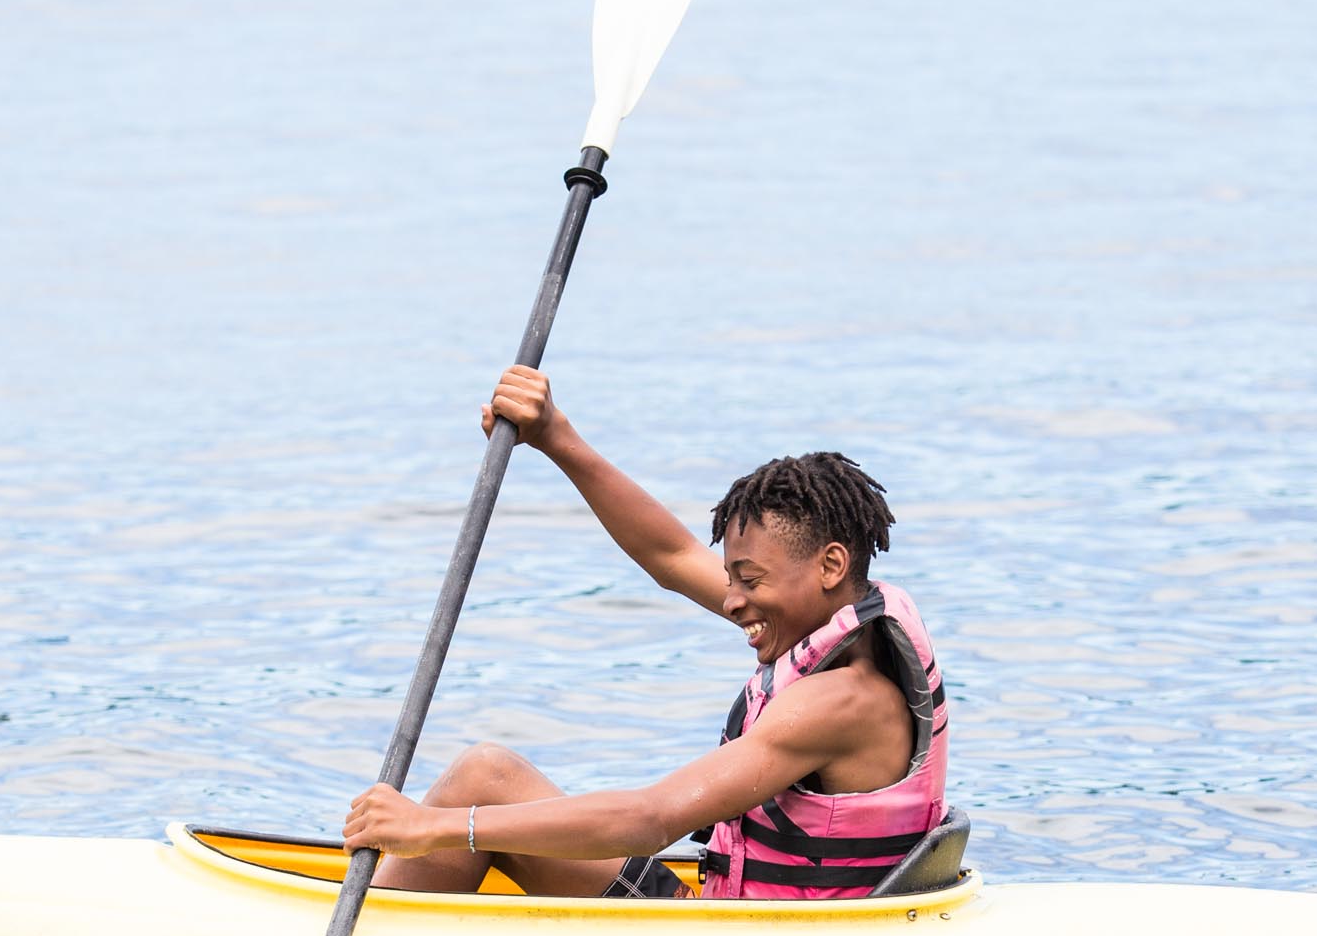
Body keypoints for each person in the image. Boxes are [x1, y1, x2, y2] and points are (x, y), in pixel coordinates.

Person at [340, 365, 950, 900]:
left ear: (831, 566)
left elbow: (651, 818)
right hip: (726, 905)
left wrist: (439, 828)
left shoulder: (844, 699)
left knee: (477, 794)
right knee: (487, 775)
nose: (732, 601)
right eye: (731, 578)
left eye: (749, 580)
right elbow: (672, 554)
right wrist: (556, 438)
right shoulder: (817, 616)